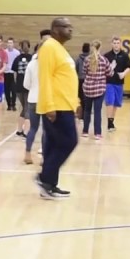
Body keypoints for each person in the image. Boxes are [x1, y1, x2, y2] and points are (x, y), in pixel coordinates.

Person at [36, 18, 80, 199]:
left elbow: (65, 80)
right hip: (56, 107)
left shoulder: (60, 49)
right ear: (55, 29)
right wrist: (49, 106)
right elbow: (44, 78)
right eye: (66, 27)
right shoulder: (48, 47)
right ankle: (45, 178)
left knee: (53, 146)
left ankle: (49, 185)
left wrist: (76, 103)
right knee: (69, 142)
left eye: (71, 27)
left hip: (66, 105)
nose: (70, 30)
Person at [21, 33, 45, 164]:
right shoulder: (50, 65)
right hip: (45, 100)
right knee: (46, 130)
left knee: (33, 128)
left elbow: (26, 84)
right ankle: (44, 157)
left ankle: (27, 154)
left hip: (32, 99)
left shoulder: (31, 64)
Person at [81, 40, 112, 139]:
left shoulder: (87, 60)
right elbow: (110, 73)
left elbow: (84, 71)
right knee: (97, 111)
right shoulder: (104, 60)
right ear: (100, 48)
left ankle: (85, 131)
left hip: (88, 88)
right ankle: (97, 133)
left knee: (87, 110)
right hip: (99, 89)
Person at [104, 36, 130, 132]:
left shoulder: (124, 55)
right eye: (114, 43)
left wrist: (124, 74)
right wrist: (110, 68)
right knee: (110, 101)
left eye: (117, 43)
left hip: (119, 83)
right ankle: (109, 123)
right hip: (109, 82)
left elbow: (129, 67)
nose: (116, 45)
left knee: (116, 103)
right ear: (112, 44)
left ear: (120, 44)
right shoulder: (107, 56)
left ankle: (111, 121)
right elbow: (103, 69)